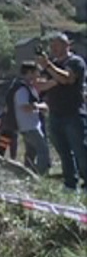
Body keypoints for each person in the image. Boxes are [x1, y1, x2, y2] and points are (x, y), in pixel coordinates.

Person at [36, 33, 86, 193]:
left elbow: (68, 79)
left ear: (67, 45)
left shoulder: (75, 61)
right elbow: (39, 85)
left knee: (81, 151)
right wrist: (55, 79)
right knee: (64, 152)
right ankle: (70, 184)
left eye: (56, 45)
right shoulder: (53, 65)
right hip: (56, 113)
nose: (53, 49)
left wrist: (50, 69)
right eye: (52, 46)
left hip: (73, 113)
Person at [6, 61, 51, 175]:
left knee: (31, 152)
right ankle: (41, 174)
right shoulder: (22, 89)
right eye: (37, 72)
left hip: (29, 125)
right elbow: (25, 107)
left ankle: (27, 173)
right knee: (43, 149)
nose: (38, 75)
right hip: (29, 125)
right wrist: (42, 106)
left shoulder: (27, 87)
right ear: (30, 72)